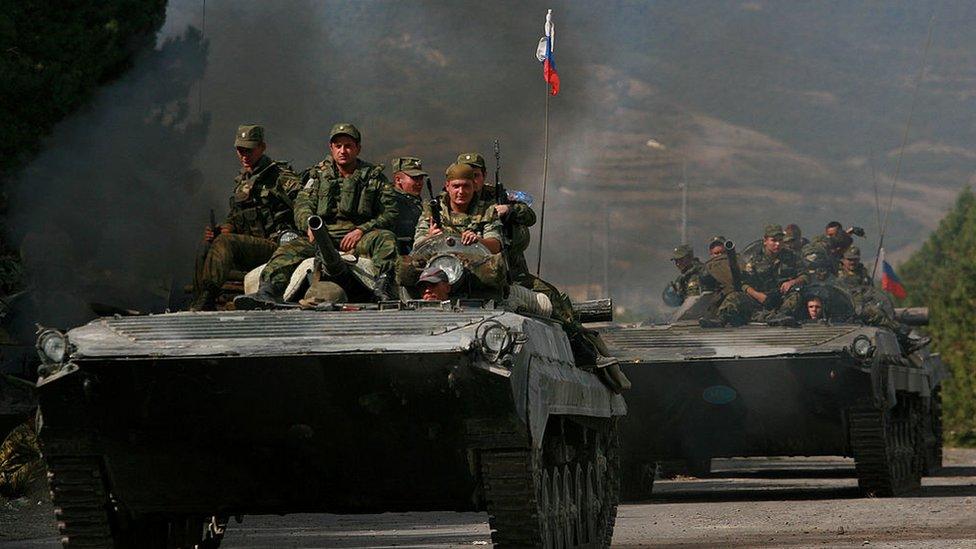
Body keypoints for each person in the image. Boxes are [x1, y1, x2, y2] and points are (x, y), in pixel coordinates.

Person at [236, 123, 398, 308]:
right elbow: (302, 206)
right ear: (331, 148)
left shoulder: (373, 178)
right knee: (288, 250)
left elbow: (390, 213)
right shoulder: (318, 176)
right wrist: (309, 226)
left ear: (357, 148)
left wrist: (362, 230)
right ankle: (268, 291)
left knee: (386, 239)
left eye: (348, 146)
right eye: (338, 146)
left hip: (358, 237)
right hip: (321, 236)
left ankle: (383, 289)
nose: (343, 151)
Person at [190, 125, 302, 310]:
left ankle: (208, 296)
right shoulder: (243, 181)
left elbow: (303, 204)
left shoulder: (279, 176)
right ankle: (200, 300)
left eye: (249, 150)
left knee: (226, 243)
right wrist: (223, 229)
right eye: (240, 150)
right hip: (250, 246)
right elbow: (235, 218)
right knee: (207, 245)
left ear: (262, 147)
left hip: (276, 247)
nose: (244, 155)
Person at [457, 152, 537, 280]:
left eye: (475, 175)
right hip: (462, 269)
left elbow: (530, 217)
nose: (471, 180)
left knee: (548, 296)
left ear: (484, 175)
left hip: (509, 266)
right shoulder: (451, 201)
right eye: (466, 176)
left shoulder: (498, 196)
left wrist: (509, 209)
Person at [414, 162, 503, 252]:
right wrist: (430, 238)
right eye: (456, 186)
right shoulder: (432, 210)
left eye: (466, 186)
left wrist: (478, 241)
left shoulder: (487, 211)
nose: (461, 191)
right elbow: (417, 247)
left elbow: (496, 246)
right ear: (447, 186)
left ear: (474, 186)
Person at [738, 224, 806, 321]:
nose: (777, 244)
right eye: (774, 240)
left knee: (796, 296)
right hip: (760, 297)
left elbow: (804, 275)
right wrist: (757, 295)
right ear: (765, 241)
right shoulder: (752, 258)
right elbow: (743, 283)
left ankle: (781, 316)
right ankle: (720, 321)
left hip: (781, 298)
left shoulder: (791, 256)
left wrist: (792, 282)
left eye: (780, 240)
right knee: (734, 297)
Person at [389, 156, 426, 255]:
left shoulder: (415, 200)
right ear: (398, 180)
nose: (419, 183)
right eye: (414, 178)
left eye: (421, 178)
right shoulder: (390, 200)